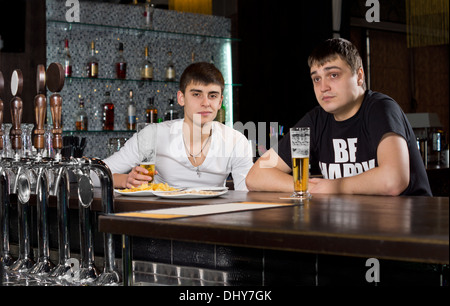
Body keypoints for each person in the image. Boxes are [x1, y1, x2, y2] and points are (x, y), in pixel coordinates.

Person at [246, 38, 431, 196]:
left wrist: (335, 186)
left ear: (359, 76)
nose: (323, 87)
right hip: (357, 227)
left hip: (410, 227)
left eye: (333, 75)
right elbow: (256, 176)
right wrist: (311, 187)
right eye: (316, 79)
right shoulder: (316, 120)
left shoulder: (380, 109)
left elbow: (394, 180)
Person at [104, 62, 253, 191]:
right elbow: (95, 174)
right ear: (181, 98)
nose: (206, 103)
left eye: (212, 96)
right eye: (196, 94)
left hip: (213, 219)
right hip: (162, 217)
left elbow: (245, 192)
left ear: (220, 102)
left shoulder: (236, 141)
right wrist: (125, 180)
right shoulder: (153, 134)